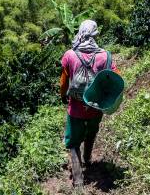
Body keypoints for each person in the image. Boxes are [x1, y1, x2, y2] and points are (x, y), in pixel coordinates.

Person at [60, 20, 120, 186]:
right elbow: (115, 78)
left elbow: (64, 81)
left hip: (76, 108)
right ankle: (88, 159)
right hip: (96, 107)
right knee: (91, 133)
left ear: (80, 33)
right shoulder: (105, 56)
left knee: (73, 142)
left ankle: (78, 178)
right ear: (95, 35)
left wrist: (63, 95)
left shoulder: (69, 55)